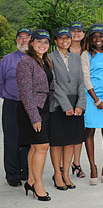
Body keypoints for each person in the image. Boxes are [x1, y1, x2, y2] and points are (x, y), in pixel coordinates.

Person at [16, 29, 53, 201]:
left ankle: (30, 180)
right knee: (42, 146)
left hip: (43, 108)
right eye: (39, 41)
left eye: (46, 42)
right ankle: (38, 185)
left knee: (34, 147)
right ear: (32, 43)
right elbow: (25, 93)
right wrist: (35, 117)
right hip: (31, 109)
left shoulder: (45, 61)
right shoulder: (26, 62)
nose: (42, 45)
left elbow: (49, 87)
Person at [49, 27, 86, 190]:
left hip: (76, 104)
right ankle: (57, 173)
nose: (65, 40)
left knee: (71, 141)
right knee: (57, 142)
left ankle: (66, 175)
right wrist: (66, 106)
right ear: (55, 41)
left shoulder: (76, 57)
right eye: (61, 37)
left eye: (68, 37)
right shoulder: (50, 58)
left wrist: (80, 105)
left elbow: (81, 82)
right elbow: (53, 83)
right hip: (58, 105)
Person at [81, 24, 103, 185]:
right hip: (91, 97)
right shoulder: (85, 54)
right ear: (90, 39)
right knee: (89, 131)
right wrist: (96, 100)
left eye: (101, 36)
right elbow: (86, 78)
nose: (98, 39)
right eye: (94, 36)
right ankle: (93, 167)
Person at [1, 28, 31, 187]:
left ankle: (25, 171)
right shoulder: (7, 59)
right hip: (12, 104)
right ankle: (12, 174)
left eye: (27, 37)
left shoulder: (36, 58)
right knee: (12, 140)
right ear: (16, 40)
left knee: (28, 140)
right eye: (21, 37)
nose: (24, 40)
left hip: (30, 105)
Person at [68, 21, 86, 179]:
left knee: (79, 132)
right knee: (67, 131)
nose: (76, 34)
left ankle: (77, 163)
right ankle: (63, 165)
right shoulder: (63, 50)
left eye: (79, 31)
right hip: (67, 95)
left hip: (85, 94)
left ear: (84, 34)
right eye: (73, 31)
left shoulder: (87, 51)